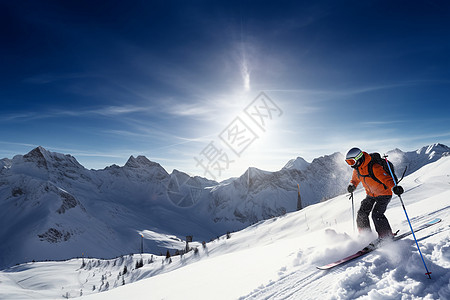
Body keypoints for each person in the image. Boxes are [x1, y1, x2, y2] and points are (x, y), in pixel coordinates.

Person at [345, 147, 404, 240]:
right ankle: (365, 236)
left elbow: (387, 179)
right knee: (362, 213)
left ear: (358, 158)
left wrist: (395, 187)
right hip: (370, 195)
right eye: (348, 162)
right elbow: (355, 180)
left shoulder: (374, 167)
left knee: (376, 214)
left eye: (351, 162)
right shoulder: (357, 169)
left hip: (384, 194)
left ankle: (386, 236)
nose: (351, 165)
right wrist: (352, 185)